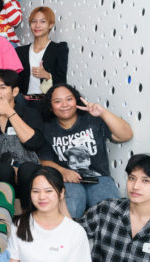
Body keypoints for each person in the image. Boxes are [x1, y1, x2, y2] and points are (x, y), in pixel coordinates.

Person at [37, 83, 133, 218]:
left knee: (111, 212)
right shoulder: (47, 129)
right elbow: (44, 160)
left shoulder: (92, 120)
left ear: (76, 101)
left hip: (99, 178)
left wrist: (103, 112)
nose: (64, 104)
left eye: (69, 99)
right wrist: (63, 171)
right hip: (68, 180)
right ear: (50, 107)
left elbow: (126, 135)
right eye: (57, 101)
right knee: (72, 205)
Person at [0, 69, 45, 209]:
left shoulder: (29, 114)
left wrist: (10, 112)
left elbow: (34, 143)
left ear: (15, 91)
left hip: (28, 177)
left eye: (2, 87)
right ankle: (3, 213)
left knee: (27, 169)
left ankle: (29, 214)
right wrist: (11, 167)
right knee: (3, 169)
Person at [16, 6, 69, 104]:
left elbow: (62, 81)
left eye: (42, 21)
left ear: (50, 25)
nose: (37, 25)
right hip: (22, 103)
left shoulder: (59, 49)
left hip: (46, 103)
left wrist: (47, 76)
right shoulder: (20, 51)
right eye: (34, 21)